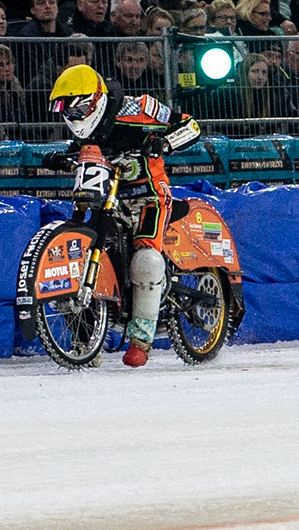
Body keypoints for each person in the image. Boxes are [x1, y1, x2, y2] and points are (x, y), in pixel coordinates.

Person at [43, 62, 203, 367]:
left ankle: (141, 339)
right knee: (84, 242)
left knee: (145, 258)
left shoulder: (139, 108)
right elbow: (78, 148)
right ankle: (86, 337)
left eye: (76, 111)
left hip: (149, 195)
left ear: (94, 100)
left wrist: (165, 142)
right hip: (106, 199)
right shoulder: (84, 133)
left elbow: (190, 125)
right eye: (66, 113)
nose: (73, 118)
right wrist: (61, 157)